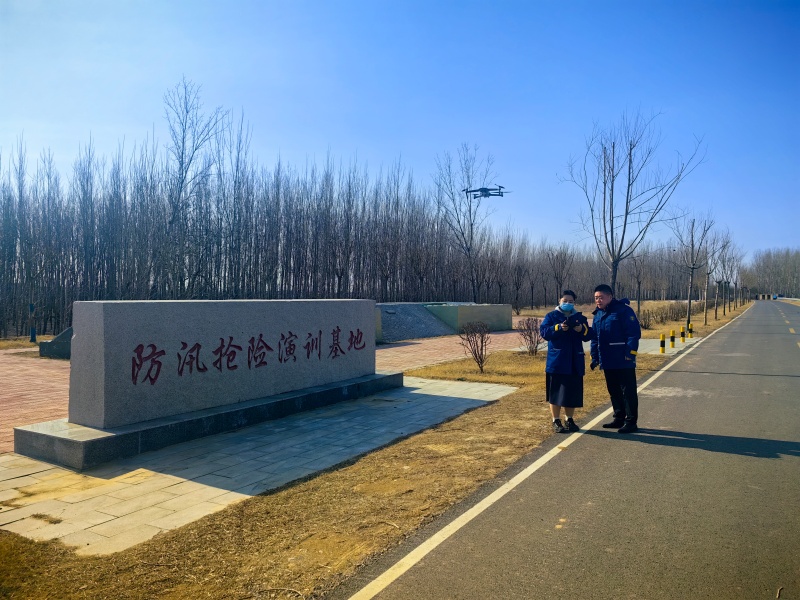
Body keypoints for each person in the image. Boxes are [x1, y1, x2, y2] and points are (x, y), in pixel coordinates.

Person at [590, 284, 642, 433]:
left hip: (623, 359)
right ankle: (619, 418)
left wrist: (630, 353)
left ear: (610, 297)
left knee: (628, 391)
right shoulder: (598, 314)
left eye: (601, 297)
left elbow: (633, 333)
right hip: (607, 359)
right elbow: (595, 338)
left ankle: (631, 422)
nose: (598, 300)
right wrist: (595, 357)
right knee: (614, 390)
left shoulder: (623, 310)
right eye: (596, 298)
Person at [540, 290, 592, 433]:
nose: (568, 303)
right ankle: (556, 420)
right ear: (559, 301)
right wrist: (557, 328)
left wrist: (581, 329)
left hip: (575, 360)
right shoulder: (551, 316)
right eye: (565, 301)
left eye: (571, 301)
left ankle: (569, 419)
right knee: (556, 392)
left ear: (574, 302)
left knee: (572, 392)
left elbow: (589, 335)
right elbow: (544, 333)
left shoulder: (579, 317)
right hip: (557, 361)